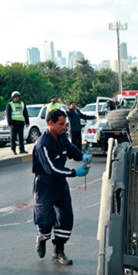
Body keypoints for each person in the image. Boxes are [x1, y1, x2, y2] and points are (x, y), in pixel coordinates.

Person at [32, 109, 92, 265]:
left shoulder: (62, 136)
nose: (64, 127)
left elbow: (71, 149)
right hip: (45, 185)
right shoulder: (43, 144)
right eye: (61, 124)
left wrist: (82, 155)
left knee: (66, 217)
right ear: (50, 123)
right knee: (46, 219)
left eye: (65, 124)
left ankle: (59, 251)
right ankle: (42, 238)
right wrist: (75, 173)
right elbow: (51, 169)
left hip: (60, 184)